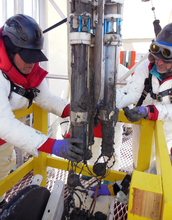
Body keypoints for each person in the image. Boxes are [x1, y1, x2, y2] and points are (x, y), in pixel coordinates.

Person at [0, 14, 84, 210]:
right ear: (11, 50)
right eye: (28, 56)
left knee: (5, 164)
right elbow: (4, 123)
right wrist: (52, 145)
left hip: (3, 140)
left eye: (35, 56)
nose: (32, 63)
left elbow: (43, 97)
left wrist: (71, 110)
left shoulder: (28, 68)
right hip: (4, 129)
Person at [91, 22, 172, 196]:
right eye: (156, 55)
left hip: (167, 136)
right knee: (140, 167)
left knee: (159, 176)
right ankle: (126, 195)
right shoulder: (146, 68)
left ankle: (126, 195)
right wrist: (108, 104)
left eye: (165, 57)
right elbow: (131, 92)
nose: (158, 62)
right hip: (141, 130)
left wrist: (151, 111)